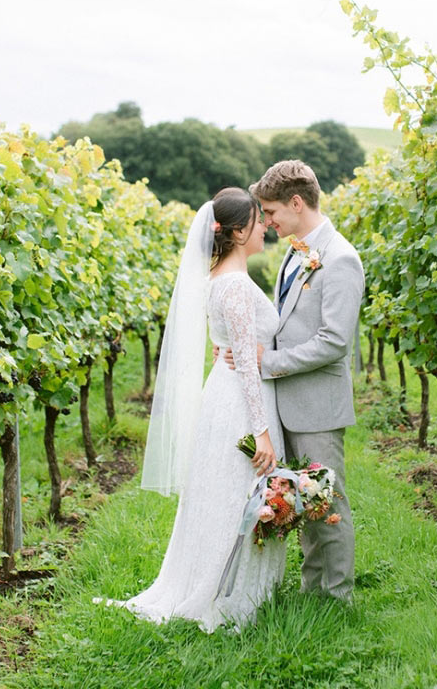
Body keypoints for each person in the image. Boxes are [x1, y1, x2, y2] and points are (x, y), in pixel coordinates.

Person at [95, 187, 285, 633]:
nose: (264, 229)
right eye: (258, 223)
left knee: (222, 491)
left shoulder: (215, 277)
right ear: (239, 232)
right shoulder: (236, 285)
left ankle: (212, 578)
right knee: (240, 491)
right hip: (239, 402)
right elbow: (246, 368)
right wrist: (261, 431)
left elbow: (231, 350)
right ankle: (223, 590)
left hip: (221, 392)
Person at [220, 160, 364, 602]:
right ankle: (312, 591)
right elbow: (284, 321)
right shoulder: (296, 250)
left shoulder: (340, 259)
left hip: (317, 405)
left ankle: (336, 598)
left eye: (271, 212)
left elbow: (334, 341)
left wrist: (269, 362)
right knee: (303, 501)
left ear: (296, 202)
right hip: (289, 402)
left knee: (328, 504)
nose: (267, 222)